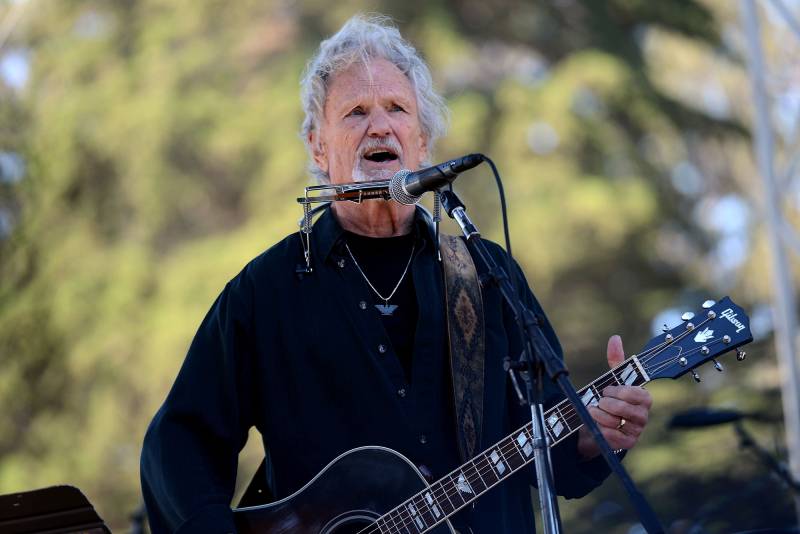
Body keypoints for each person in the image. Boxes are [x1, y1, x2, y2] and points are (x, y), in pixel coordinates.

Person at [140, 14, 653, 533]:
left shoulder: (486, 273)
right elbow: (179, 444)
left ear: (422, 139)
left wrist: (595, 434)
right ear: (319, 147)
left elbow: (546, 443)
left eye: (396, 109)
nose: (379, 125)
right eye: (355, 112)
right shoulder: (267, 291)